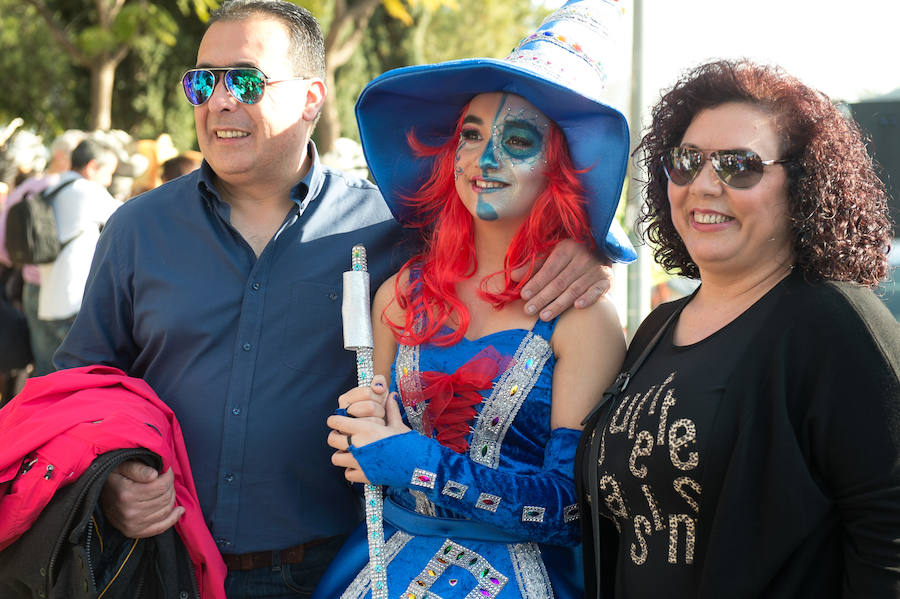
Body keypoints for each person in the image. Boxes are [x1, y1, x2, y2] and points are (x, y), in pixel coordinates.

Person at [54, 1, 617, 597]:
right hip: (163, 564)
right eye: (203, 82)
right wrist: (107, 479)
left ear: (311, 98)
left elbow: (494, 237)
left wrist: (585, 252)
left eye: (244, 80)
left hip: (320, 568)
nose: (219, 101)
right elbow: (79, 383)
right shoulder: (137, 229)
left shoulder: (388, 230)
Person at [317, 2, 632, 597]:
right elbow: (374, 452)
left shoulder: (582, 314)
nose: (485, 160)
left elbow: (569, 511)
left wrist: (409, 461)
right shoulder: (400, 294)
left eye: (516, 140)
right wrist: (362, 440)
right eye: (471, 135)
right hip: (379, 569)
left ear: (558, 168)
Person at [576, 59, 900, 598]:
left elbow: (890, 537)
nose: (704, 185)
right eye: (686, 161)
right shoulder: (658, 327)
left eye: (739, 165)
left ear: (802, 185)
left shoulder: (834, 325)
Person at [0, 129, 85, 376]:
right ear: (61, 156)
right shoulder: (81, 190)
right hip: (66, 293)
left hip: (30, 288)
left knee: (43, 367)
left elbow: (4, 245)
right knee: (69, 371)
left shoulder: (27, 189)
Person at [33, 137, 119, 375]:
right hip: (72, 303)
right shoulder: (87, 190)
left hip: (47, 302)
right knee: (74, 381)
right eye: (108, 172)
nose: (109, 180)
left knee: (45, 377)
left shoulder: (52, 189)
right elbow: (128, 217)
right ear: (92, 167)